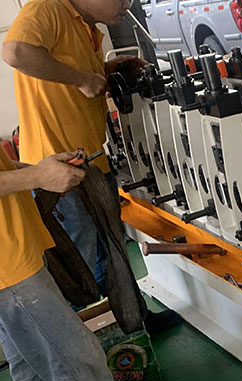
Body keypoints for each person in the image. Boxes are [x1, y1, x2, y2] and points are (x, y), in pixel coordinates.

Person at [0, 148, 179, 381]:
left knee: (30, 366)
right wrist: (37, 176)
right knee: (75, 357)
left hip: (11, 252)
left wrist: (39, 169)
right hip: (7, 266)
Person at [1, 0, 180, 332]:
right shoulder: (47, 8)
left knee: (113, 250)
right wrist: (82, 79)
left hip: (91, 160)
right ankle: (90, 339)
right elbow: (15, 52)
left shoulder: (87, 27)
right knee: (81, 265)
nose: (127, 4)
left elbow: (62, 77)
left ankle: (134, 323)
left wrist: (105, 71)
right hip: (59, 170)